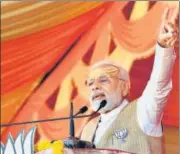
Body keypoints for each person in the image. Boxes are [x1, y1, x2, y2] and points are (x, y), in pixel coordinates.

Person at [80, 7, 178, 154]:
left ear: (124, 87)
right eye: (91, 83)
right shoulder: (89, 128)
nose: (94, 87)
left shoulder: (142, 111)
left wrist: (163, 48)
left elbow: (159, 85)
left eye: (103, 80)